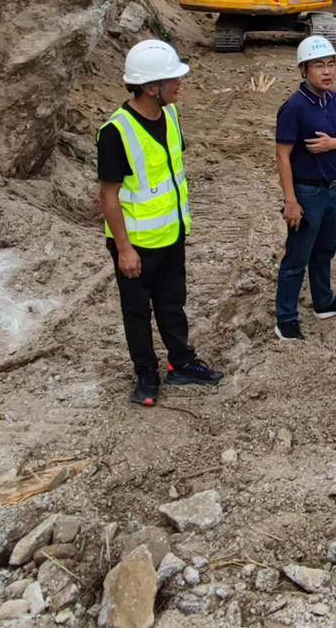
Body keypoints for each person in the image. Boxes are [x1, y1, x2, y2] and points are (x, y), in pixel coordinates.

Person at [97, 39, 223, 405]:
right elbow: (108, 195)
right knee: (137, 311)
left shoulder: (170, 116)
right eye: (174, 79)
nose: (180, 83)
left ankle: (181, 363)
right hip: (136, 244)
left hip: (171, 235)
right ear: (152, 87)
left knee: (172, 304)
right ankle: (146, 375)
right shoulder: (116, 132)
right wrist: (124, 249)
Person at [274, 36, 336, 341]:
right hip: (307, 192)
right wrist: (291, 201)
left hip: (331, 190)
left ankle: (324, 302)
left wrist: (332, 144)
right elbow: (282, 155)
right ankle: (285, 318)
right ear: (304, 70)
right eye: (319, 65)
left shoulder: (333, 99)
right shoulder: (294, 107)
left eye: (331, 64)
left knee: (325, 250)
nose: (327, 71)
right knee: (297, 257)